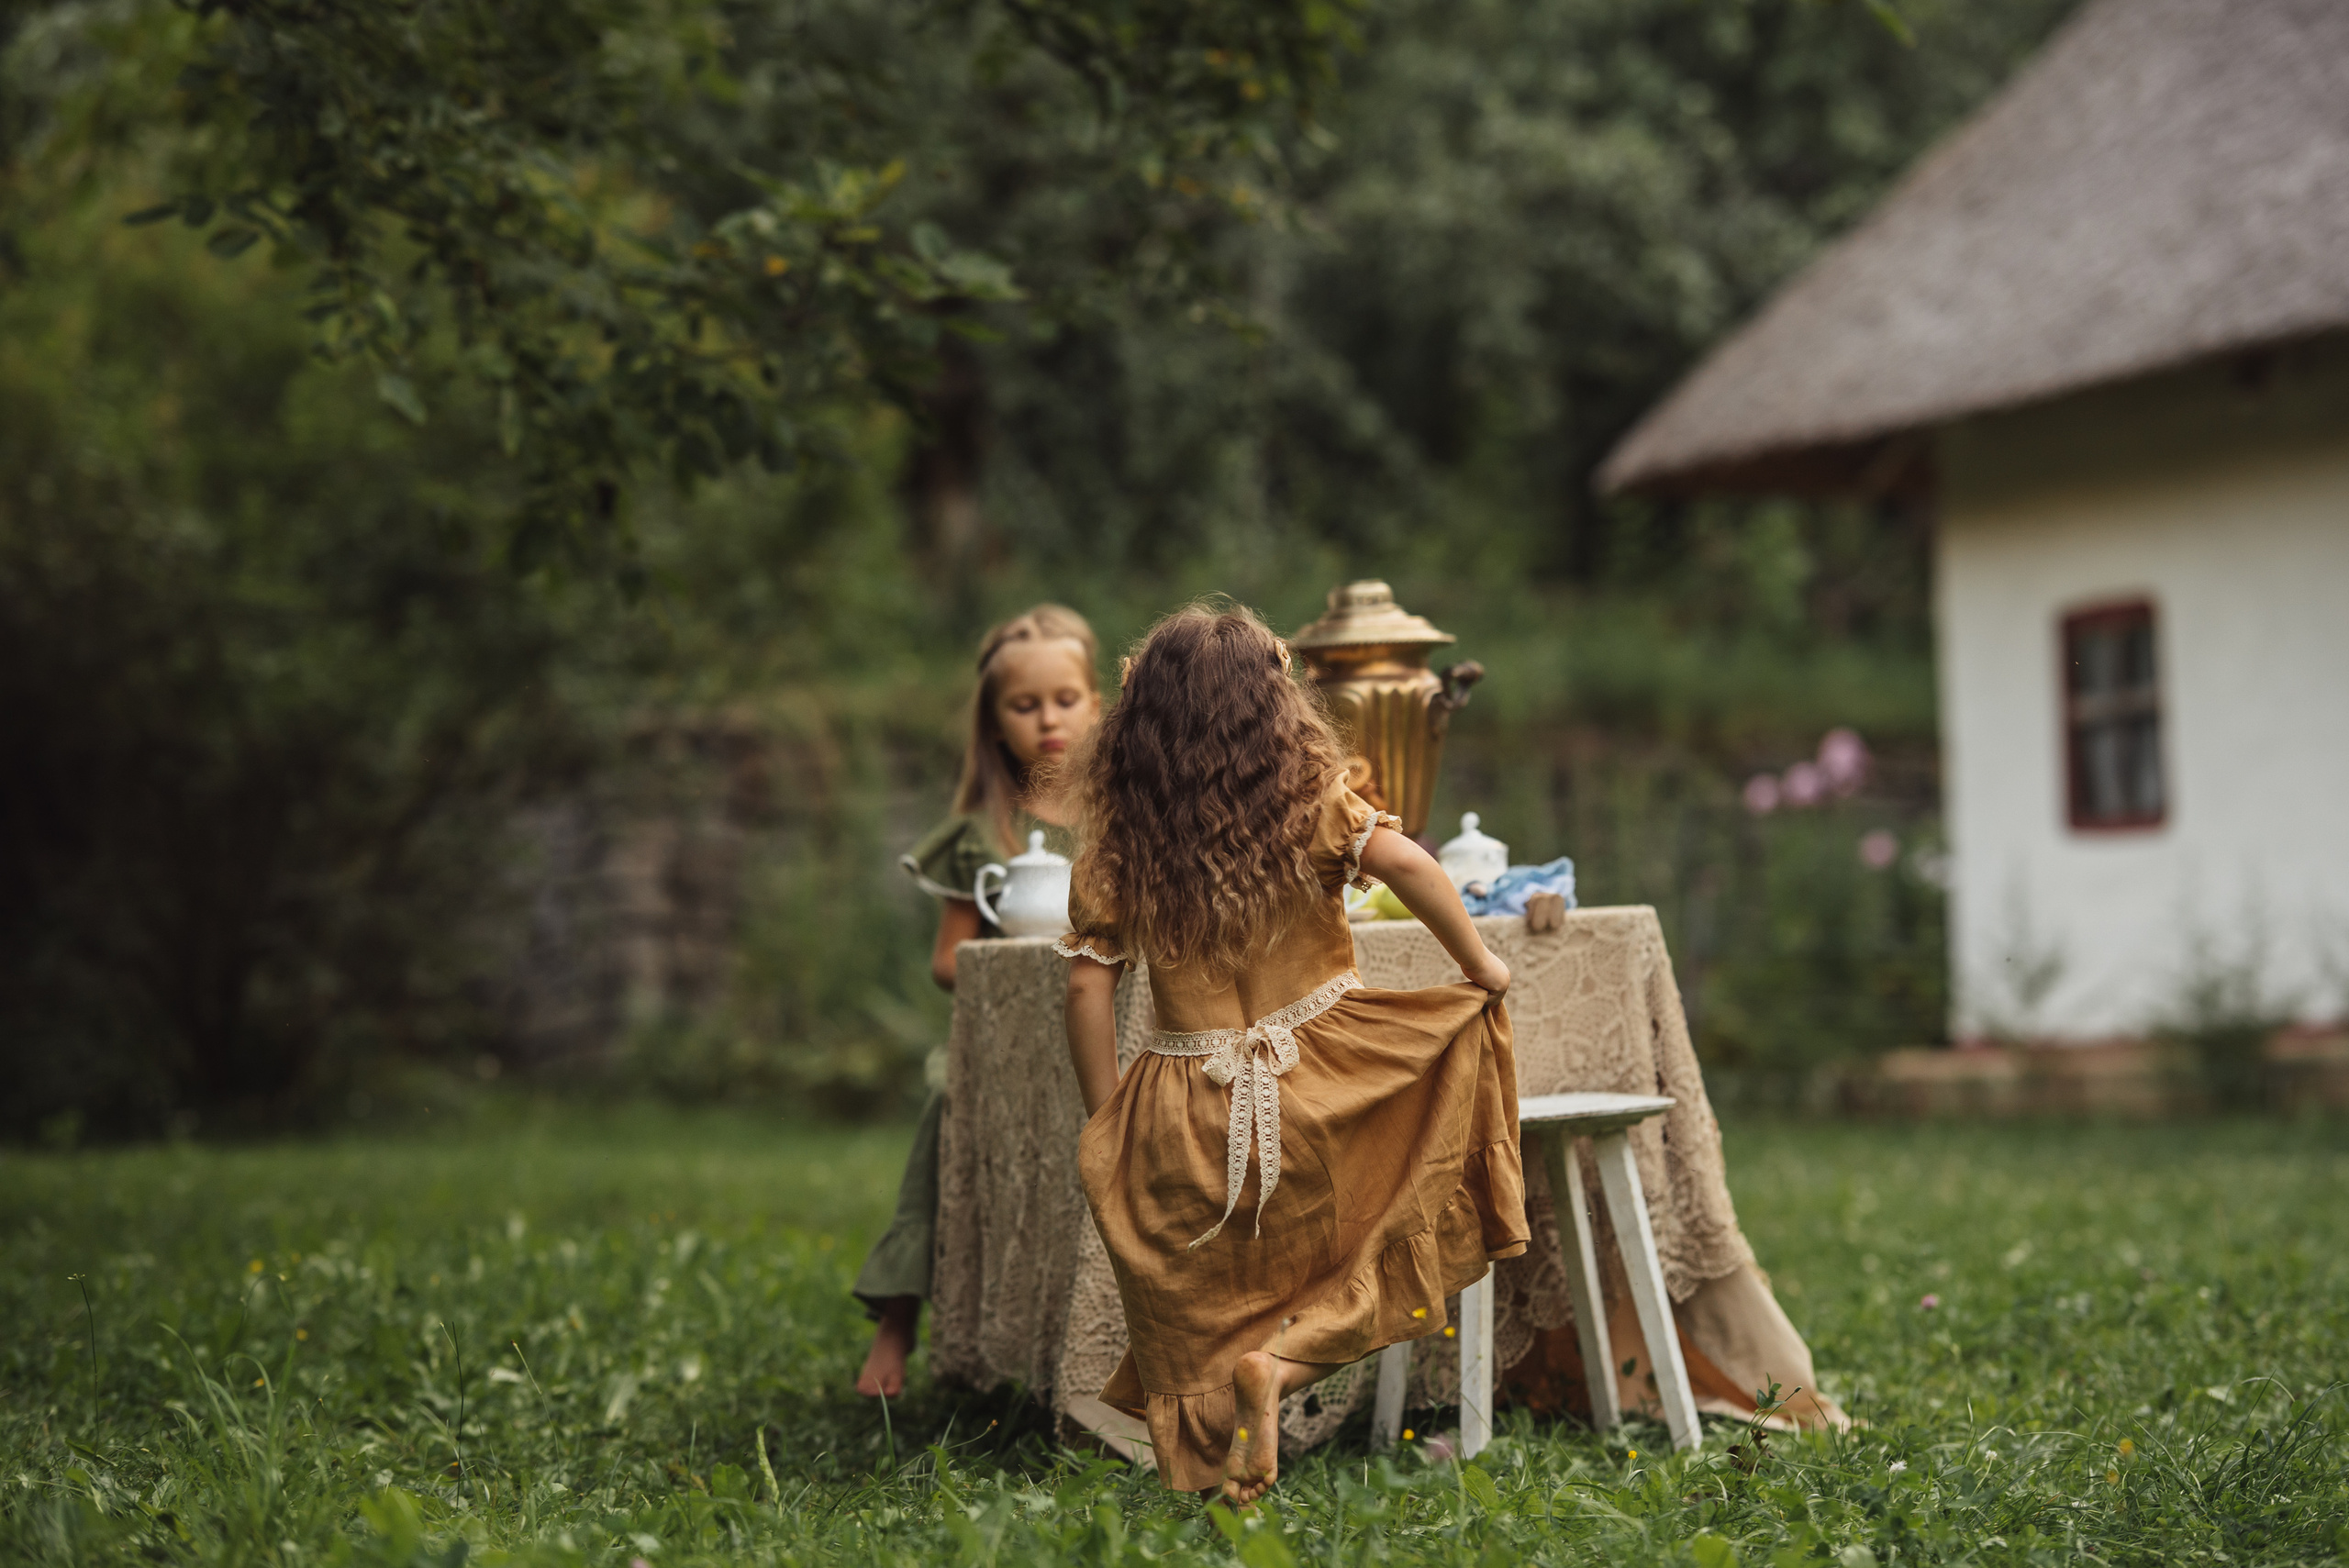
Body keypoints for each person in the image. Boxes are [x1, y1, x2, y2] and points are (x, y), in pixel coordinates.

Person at [1057, 604, 1526, 1503]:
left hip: (1181, 1094)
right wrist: (1481, 964)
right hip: (1326, 1077)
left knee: (1203, 1301)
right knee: (1377, 1243)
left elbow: (1086, 986)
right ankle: (1275, 1369)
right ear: (1276, 709)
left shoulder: (1119, 841)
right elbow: (1415, 867)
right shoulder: (1312, 801)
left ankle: (1207, 1459)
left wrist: (1109, 1109)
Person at [852, 605, 1105, 1398]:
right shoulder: (980, 832)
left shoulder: (1123, 817)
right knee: (943, 1100)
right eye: (1024, 706)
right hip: (1002, 1035)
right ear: (994, 722)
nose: (1049, 720)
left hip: (1104, 1026)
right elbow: (945, 960)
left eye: (1066, 699)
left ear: (1097, 703)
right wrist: (1023, 975)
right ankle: (897, 1322)